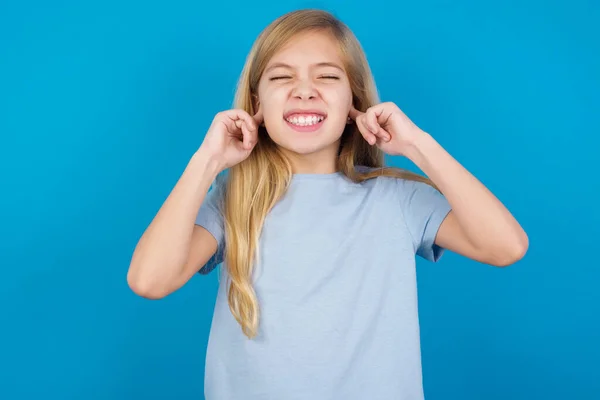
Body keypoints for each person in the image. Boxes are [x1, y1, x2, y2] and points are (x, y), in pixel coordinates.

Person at [127, 8, 528, 400]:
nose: (304, 89)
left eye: (327, 76)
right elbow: (149, 281)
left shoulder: (399, 199)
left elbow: (506, 247)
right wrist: (207, 160)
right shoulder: (232, 200)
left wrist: (418, 146)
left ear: (354, 101)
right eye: (282, 77)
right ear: (256, 105)